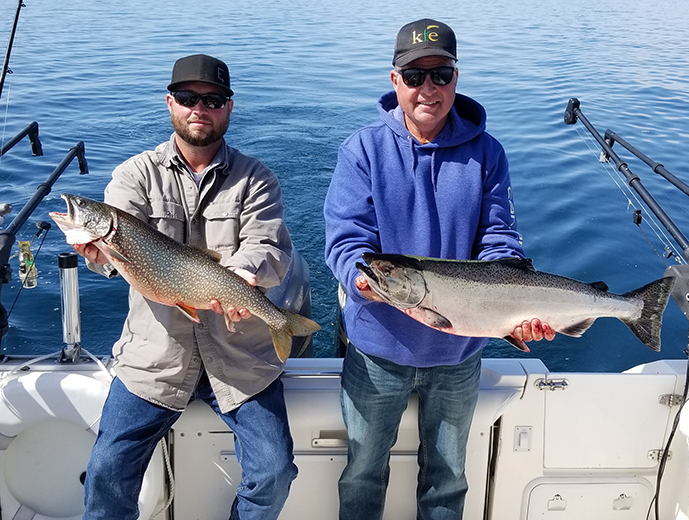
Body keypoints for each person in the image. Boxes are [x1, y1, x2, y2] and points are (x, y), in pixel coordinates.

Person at [324, 19, 555, 520]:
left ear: (456, 77)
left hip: (459, 353)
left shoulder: (488, 154)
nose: (428, 88)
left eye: (441, 74)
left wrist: (515, 310)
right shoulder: (362, 150)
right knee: (362, 474)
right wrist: (363, 283)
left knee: (447, 480)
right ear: (394, 81)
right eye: (414, 76)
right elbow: (345, 242)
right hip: (377, 352)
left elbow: (498, 240)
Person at [75, 54, 297, 520]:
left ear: (229, 107)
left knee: (275, 471)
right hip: (155, 359)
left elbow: (267, 246)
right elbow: (115, 263)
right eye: (188, 98)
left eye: (213, 100)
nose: (200, 108)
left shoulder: (257, 179)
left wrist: (244, 278)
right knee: (105, 471)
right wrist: (101, 258)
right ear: (170, 103)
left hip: (240, 360)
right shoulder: (134, 175)